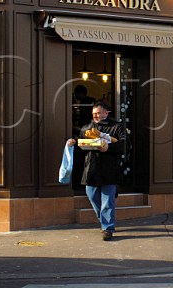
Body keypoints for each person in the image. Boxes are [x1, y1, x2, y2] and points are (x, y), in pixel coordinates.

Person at [68, 101, 128, 241]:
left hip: (110, 168)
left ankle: (107, 228)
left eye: (98, 113)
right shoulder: (87, 128)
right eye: (94, 113)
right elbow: (81, 142)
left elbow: (125, 145)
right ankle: (104, 219)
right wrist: (74, 142)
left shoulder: (117, 127)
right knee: (91, 194)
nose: (95, 116)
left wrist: (109, 148)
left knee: (107, 200)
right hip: (92, 168)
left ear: (107, 113)